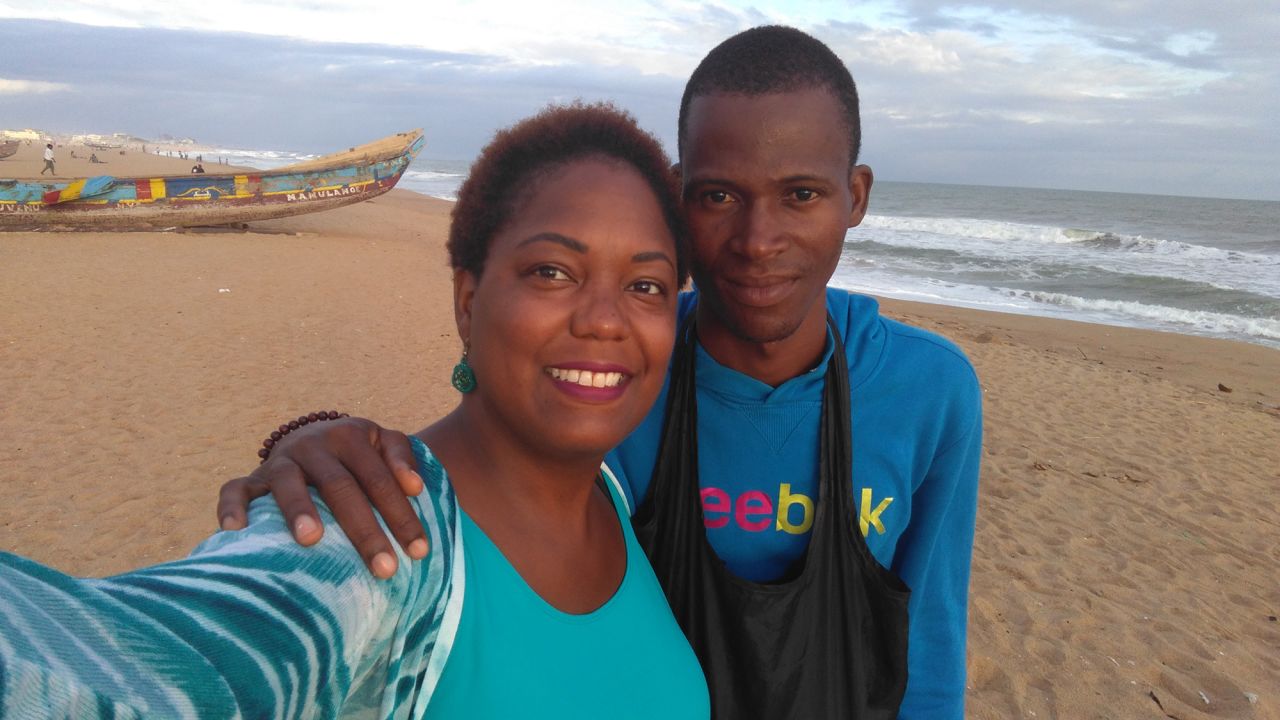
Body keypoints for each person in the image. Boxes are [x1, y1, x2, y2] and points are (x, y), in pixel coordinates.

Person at [221, 26, 981, 719]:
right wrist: (320, 438)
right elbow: (483, 457)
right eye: (719, 196)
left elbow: (930, 649)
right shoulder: (620, 377)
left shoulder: (929, 391)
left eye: (802, 196)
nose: (758, 240)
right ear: (682, 201)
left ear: (855, 197)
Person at [0, 103, 709, 719]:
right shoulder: (370, 536)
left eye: (646, 285)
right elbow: (153, 672)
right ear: (468, 300)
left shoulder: (618, 495)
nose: (604, 321)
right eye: (552, 272)